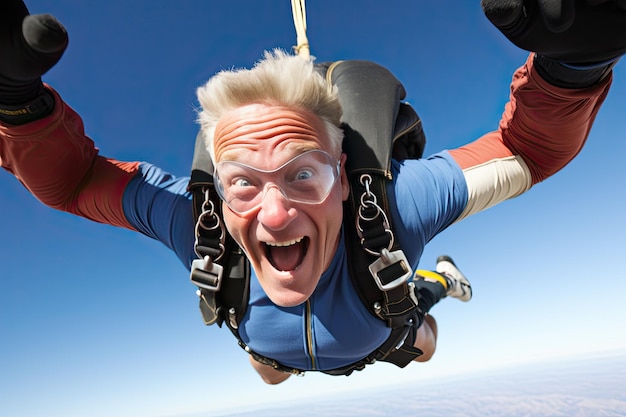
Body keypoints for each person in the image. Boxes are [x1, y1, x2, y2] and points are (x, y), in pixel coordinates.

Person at [0, 0, 624, 385]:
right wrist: (16, 107)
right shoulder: (201, 221)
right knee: (269, 371)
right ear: (217, 189)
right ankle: (415, 290)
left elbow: (523, 154)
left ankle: (439, 284)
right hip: (277, 351)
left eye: (304, 173)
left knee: (421, 342)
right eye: (241, 182)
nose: (273, 213)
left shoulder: (392, 203)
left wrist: (570, 67)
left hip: (381, 332)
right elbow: (76, 182)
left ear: (347, 179)